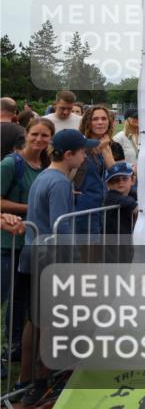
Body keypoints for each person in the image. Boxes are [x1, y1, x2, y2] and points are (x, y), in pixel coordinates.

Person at [17, 129, 98, 407]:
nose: (85, 156)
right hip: (51, 260)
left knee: (35, 320)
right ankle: (41, 383)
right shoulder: (60, 182)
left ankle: (26, 380)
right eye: (83, 152)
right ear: (69, 154)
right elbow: (60, 227)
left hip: (33, 255)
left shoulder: (44, 176)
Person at [1, 117, 54, 363]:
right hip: (9, 241)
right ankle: (11, 346)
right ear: (27, 135)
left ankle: (19, 346)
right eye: (35, 134)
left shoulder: (46, 165)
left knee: (24, 298)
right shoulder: (11, 164)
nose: (39, 139)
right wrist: (32, 207)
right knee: (10, 296)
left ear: (51, 139)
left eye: (44, 135)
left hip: (34, 243)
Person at [75, 105, 124, 236]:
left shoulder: (108, 145)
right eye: (95, 119)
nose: (100, 122)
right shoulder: (79, 144)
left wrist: (106, 151)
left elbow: (115, 175)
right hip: (82, 208)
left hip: (101, 206)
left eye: (104, 118)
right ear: (87, 122)